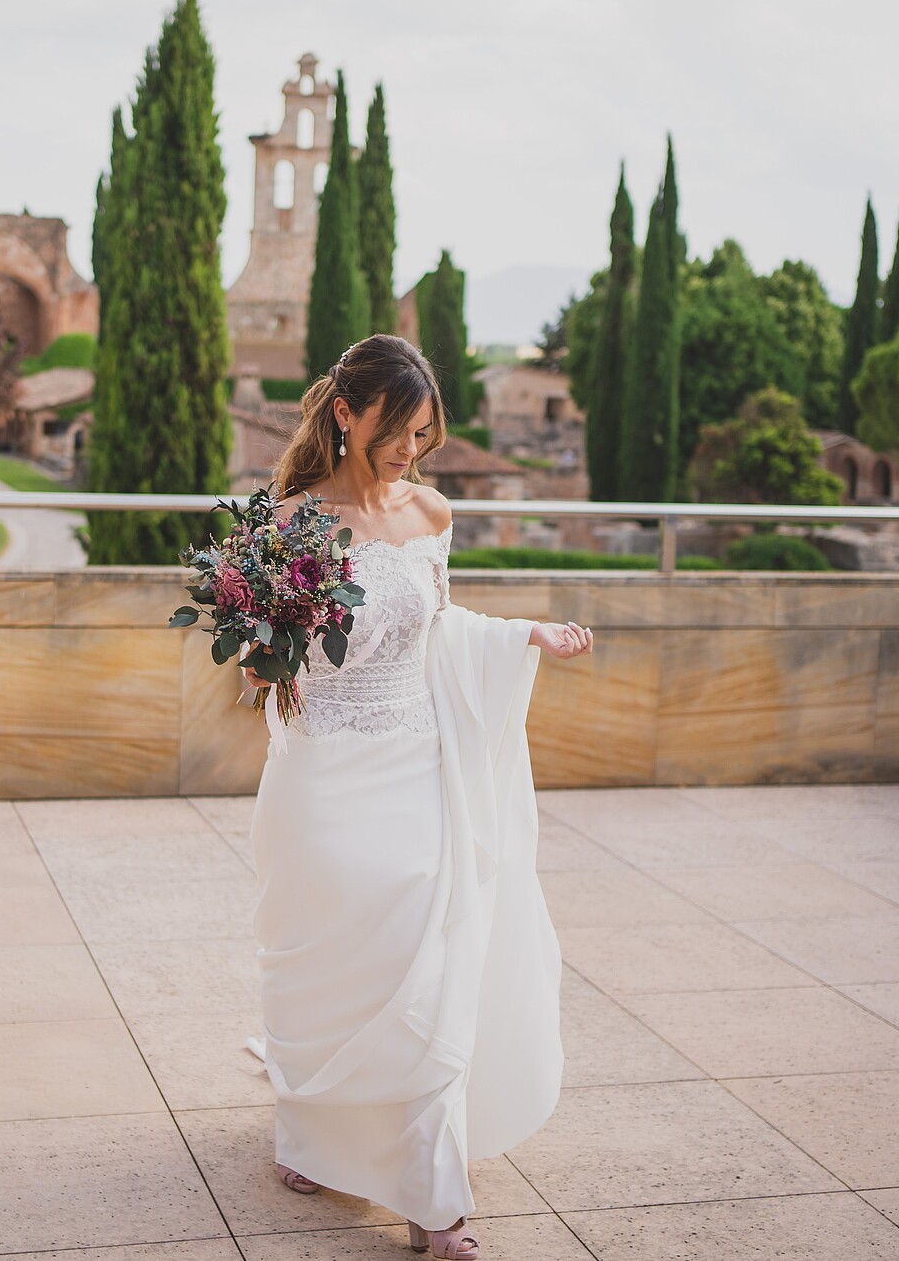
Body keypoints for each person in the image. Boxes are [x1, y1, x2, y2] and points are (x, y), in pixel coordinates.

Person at [241, 334, 590, 1259]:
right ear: (347, 415)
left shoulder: (432, 513)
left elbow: (441, 630)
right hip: (321, 774)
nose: (411, 450)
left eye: (426, 431)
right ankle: (314, 1123)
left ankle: (435, 1205)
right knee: (323, 964)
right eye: (399, 429)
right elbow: (262, 658)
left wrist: (524, 634)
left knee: (423, 967)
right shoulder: (291, 524)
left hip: (414, 765)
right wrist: (260, 647)